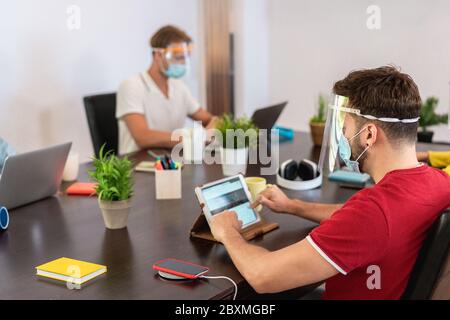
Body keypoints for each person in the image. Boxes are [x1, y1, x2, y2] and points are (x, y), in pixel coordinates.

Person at [209, 66, 450, 300]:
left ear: (368, 134)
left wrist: (228, 233)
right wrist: (292, 205)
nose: (344, 138)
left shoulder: (373, 212)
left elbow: (263, 275)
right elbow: (355, 218)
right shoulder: (440, 183)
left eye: (345, 129)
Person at [116, 25, 217, 155]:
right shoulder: (131, 86)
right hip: (137, 166)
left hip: (171, 162)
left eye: (185, 58)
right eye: (178, 57)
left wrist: (215, 126)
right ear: (158, 55)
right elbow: (142, 137)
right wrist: (194, 138)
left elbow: (210, 119)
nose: (183, 63)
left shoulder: (179, 86)